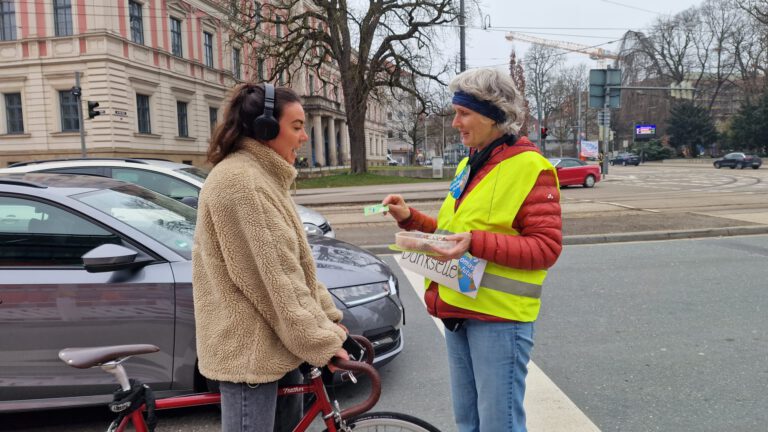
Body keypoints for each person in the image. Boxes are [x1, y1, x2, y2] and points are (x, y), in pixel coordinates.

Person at [382, 68, 562, 432]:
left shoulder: (531, 168)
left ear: (493, 115)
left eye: (463, 113)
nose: (455, 123)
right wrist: (412, 219)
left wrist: (475, 242)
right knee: (468, 422)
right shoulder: (469, 164)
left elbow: (546, 248)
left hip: (499, 319)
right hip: (458, 308)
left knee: (498, 425)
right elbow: (453, 232)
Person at [192, 82, 349, 432]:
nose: (304, 137)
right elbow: (277, 281)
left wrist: (329, 320)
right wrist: (323, 341)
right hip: (250, 358)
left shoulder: (262, 178)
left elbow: (299, 269)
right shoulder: (241, 183)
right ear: (265, 129)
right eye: (297, 126)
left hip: (274, 348)